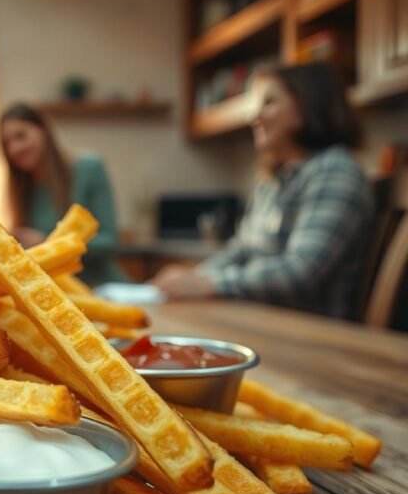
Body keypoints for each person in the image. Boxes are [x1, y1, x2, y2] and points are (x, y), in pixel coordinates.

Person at [150, 63, 372, 320]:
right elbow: (240, 250)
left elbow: (302, 271)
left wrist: (211, 284)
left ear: (306, 105)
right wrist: (196, 277)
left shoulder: (335, 171)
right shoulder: (274, 180)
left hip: (311, 335)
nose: (254, 116)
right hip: (267, 321)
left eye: (268, 102)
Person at [0, 102, 129, 286]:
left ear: (43, 130)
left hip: (103, 288)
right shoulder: (23, 190)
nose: (14, 148)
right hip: (59, 294)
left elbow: (109, 242)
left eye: (21, 136)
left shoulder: (89, 168)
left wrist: (48, 243)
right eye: (7, 143)